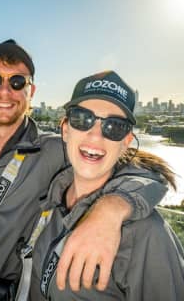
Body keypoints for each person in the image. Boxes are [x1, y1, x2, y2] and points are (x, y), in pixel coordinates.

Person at [0, 40, 168, 301]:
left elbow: (144, 172)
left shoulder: (55, 150)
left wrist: (111, 209)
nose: (5, 92)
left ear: (31, 91)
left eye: (17, 82)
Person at [29, 70, 184, 301]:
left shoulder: (147, 234)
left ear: (125, 143)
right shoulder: (51, 202)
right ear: (64, 129)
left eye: (114, 127)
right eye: (82, 119)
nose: (95, 136)